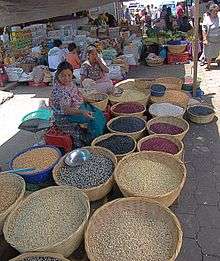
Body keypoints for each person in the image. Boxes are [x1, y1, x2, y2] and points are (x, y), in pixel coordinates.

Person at [50, 61, 106, 145]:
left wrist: (87, 100)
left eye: (69, 75)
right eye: (63, 75)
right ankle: (93, 140)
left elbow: (76, 93)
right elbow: (66, 110)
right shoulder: (60, 91)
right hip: (65, 116)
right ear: (58, 75)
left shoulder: (69, 83)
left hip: (77, 106)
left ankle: (101, 132)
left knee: (98, 112)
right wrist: (83, 112)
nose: (67, 78)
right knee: (93, 118)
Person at [202, 4, 220, 70]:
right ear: (210, 11)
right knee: (208, 53)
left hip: (219, 39)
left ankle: (218, 62)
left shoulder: (219, 16)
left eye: (217, 11)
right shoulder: (207, 18)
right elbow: (204, 29)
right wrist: (204, 39)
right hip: (210, 39)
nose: (216, 12)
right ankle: (208, 65)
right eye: (214, 11)